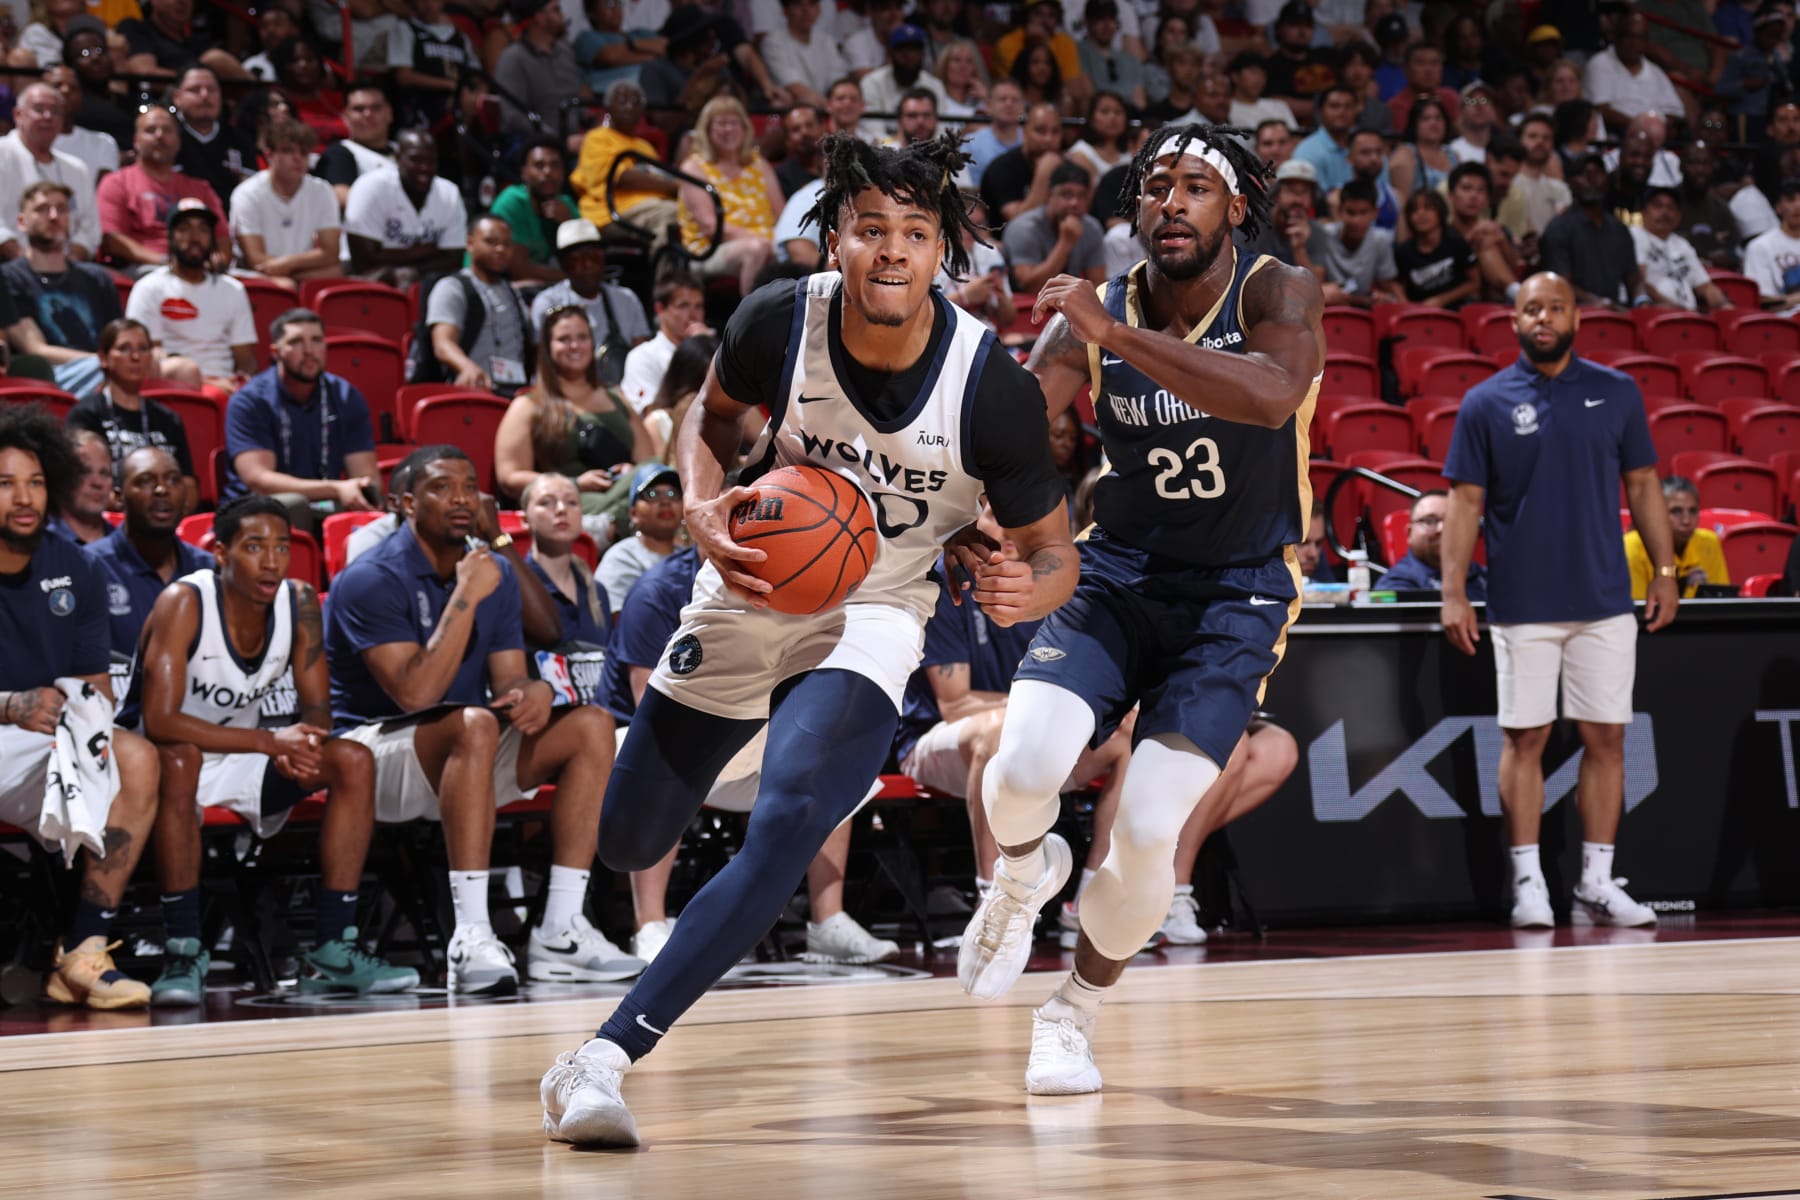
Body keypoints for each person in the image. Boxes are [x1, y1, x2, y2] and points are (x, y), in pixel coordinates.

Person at [536, 132, 1076, 1146]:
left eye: (915, 234)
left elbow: (1055, 556)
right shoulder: (780, 318)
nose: (891, 251)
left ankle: (600, 1058)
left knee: (785, 826)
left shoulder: (989, 387)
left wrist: (1020, 590)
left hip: (875, 610)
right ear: (835, 239)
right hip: (750, 577)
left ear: (940, 253)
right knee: (628, 838)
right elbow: (711, 419)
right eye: (871, 229)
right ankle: (697, 776)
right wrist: (700, 505)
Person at [956, 123, 1323, 1096]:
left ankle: (1071, 1012)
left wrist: (1116, 338)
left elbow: (1275, 396)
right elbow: (1024, 416)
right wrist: (979, 499)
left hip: (1237, 591)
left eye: (1195, 186)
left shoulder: (1277, 289)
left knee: (1152, 832)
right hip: (1117, 568)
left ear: (1233, 207)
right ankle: (1021, 872)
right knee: (1025, 758)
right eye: (1156, 185)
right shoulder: (1095, 307)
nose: (1171, 201)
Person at [326, 445, 632, 995]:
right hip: (370, 758)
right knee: (474, 724)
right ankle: (470, 935)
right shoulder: (371, 578)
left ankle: (559, 930)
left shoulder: (492, 571)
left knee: (591, 723)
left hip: (464, 751)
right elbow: (415, 693)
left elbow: (509, 677)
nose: (462, 499)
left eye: (470, 486)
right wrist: (465, 595)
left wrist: (532, 690)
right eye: (442, 488)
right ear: (402, 502)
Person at [1439, 272, 1676, 931]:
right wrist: (1453, 592)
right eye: (1530, 309)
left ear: (1578, 316)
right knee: (1526, 740)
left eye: (1555, 307)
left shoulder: (1618, 392)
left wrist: (1664, 570)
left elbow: (1645, 483)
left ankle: (1597, 882)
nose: (1543, 318)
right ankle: (1529, 882)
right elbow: (1464, 504)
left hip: (1605, 600)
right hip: (1522, 604)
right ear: (1513, 321)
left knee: (1607, 739)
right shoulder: (1485, 402)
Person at [131, 492, 415, 1004]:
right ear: (220, 553)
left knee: (351, 758)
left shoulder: (300, 602)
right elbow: (160, 721)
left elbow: (318, 706)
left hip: (240, 752)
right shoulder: (184, 601)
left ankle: (333, 948)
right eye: (254, 547)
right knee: (180, 759)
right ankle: (183, 950)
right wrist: (267, 740)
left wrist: (304, 740)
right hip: (152, 761)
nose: (271, 561)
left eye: (281, 547)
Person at [594, 543, 902, 965]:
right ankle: (650, 924)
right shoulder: (657, 590)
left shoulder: (794, 567)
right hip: (663, 729)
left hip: (751, 727)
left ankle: (827, 920)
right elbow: (648, 696)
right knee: (668, 749)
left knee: (829, 759)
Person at [0, 405, 160, 1009]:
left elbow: (96, 686)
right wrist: (9, 705)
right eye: (6, 482)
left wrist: (74, 718)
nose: (24, 497)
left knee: (136, 756)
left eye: (36, 482)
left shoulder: (76, 568)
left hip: (45, 740)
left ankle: (83, 949)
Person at [494, 303, 654, 537]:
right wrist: (575, 483)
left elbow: (649, 461)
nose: (575, 346)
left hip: (623, 490)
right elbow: (510, 477)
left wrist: (631, 471)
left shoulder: (616, 396)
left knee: (656, 476)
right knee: (650, 503)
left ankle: (616, 522)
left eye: (582, 337)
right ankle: (611, 524)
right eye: (564, 339)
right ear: (548, 348)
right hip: (570, 500)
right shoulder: (528, 405)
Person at [222, 308, 379, 529]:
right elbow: (258, 480)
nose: (308, 351)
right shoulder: (250, 401)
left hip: (324, 504)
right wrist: (335, 489)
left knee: (369, 501)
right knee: (293, 504)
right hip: (256, 511)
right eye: (296, 342)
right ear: (275, 352)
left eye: (316, 340)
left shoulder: (346, 396)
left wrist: (361, 488)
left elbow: (365, 474)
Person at [83, 446, 211, 659]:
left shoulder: (209, 569)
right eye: (145, 481)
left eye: (173, 480)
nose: (162, 489)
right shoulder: (88, 567)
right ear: (118, 497)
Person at [123, 200, 257, 393]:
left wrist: (244, 385)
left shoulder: (233, 290)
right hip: (172, 384)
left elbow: (246, 360)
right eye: (185, 229)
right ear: (169, 236)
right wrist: (204, 383)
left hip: (226, 384)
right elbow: (147, 358)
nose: (194, 237)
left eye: (203, 230)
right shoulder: (148, 287)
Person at [2, 181, 121, 399]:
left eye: (62, 209)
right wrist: (105, 363)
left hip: (104, 368)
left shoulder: (97, 278)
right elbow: (35, 349)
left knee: (178, 368)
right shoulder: (10, 277)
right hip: (53, 374)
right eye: (42, 209)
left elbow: (118, 339)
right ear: (22, 221)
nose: (54, 216)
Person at [68, 318, 198, 512]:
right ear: (104, 358)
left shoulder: (168, 419)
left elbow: (188, 487)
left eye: (143, 349)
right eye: (125, 349)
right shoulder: (86, 415)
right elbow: (81, 485)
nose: (136, 356)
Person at [96, 105, 227, 275]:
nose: (160, 135)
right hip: (142, 269)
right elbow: (112, 240)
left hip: (197, 268)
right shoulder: (116, 182)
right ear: (136, 141)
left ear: (179, 141)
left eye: (167, 130)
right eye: (150, 130)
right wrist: (166, 262)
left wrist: (220, 260)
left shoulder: (200, 188)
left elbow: (223, 239)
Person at [676, 95, 781, 297]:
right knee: (755, 249)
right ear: (707, 130)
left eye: (734, 123)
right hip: (711, 249)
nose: (728, 130)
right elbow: (710, 227)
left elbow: (781, 213)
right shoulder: (694, 167)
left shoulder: (758, 164)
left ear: (744, 128)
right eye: (721, 124)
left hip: (765, 241)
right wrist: (764, 240)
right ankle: (751, 322)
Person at [423, 216, 535, 397]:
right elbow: (443, 344)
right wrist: (467, 367)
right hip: (477, 388)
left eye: (507, 244)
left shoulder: (512, 293)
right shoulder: (453, 287)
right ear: (470, 243)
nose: (501, 249)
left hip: (516, 390)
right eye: (491, 242)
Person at [529, 220, 653, 380]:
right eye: (578, 258)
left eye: (595, 255)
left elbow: (642, 354)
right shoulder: (548, 302)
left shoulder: (626, 299)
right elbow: (542, 362)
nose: (589, 264)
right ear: (563, 263)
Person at [229, 119, 342, 291]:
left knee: (336, 271)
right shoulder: (247, 193)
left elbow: (331, 253)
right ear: (269, 155)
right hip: (256, 274)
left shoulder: (322, 190)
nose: (297, 158)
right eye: (288, 151)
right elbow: (256, 259)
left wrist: (287, 264)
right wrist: (293, 272)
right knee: (287, 285)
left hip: (296, 270)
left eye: (304, 153)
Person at [344, 130, 468, 286]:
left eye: (431, 160)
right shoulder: (370, 188)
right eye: (416, 160)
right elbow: (364, 262)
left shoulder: (449, 193)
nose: (425, 167)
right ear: (397, 158)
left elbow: (454, 260)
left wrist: (411, 271)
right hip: (368, 282)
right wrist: (425, 250)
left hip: (429, 281)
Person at [0, 82, 101, 261]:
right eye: (38, 109)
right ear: (18, 115)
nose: (47, 117)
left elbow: (89, 230)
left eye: (55, 111)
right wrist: (28, 263)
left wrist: (68, 263)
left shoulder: (77, 169)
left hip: (65, 268)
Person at [569, 81, 681, 237]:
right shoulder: (597, 138)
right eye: (622, 101)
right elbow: (619, 177)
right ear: (608, 108)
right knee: (673, 218)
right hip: (612, 212)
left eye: (636, 102)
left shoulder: (644, 146)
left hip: (653, 205)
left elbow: (659, 177)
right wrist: (673, 187)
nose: (629, 107)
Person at [1540, 154, 1646, 310]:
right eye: (1583, 174)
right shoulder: (1558, 229)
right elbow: (1559, 285)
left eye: (1597, 173)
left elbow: (1634, 280)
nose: (1591, 178)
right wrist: (1598, 303)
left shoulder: (1619, 229)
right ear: (1570, 183)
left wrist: (1642, 300)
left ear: (1607, 180)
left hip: (1614, 314)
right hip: (1574, 314)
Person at [486, 138, 579, 286]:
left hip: (543, 285)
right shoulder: (512, 202)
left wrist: (568, 223)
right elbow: (520, 271)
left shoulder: (566, 204)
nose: (548, 172)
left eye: (555, 165)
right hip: (497, 285)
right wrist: (572, 279)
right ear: (524, 173)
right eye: (539, 165)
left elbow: (585, 258)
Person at [1003, 161, 1107, 293]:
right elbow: (1029, 286)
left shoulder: (1091, 228)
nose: (1075, 203)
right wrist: (1065, 243)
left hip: (1067, 301)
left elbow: (1098, 286)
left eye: (1081, 196)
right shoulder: (1024, 228)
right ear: (1050, 195)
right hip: (1025, 304)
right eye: (1066, 194)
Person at [494, 0, 590, 143]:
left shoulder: (565, 52)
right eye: (556, 10)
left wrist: (594, 121)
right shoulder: (513, 59)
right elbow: (513, 117)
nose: (563, 15)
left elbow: (576, 102)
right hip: (537, 145)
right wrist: (558, 141)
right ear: (540, 18)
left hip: (575, 141)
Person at [1297, 178, 1402, 307]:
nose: (1356, 221)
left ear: (1375, 213)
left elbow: (1387, 286)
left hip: (1363, 313)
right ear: (1340, 210)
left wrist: (1385, 298)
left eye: (1363, 213)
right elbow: (1314, 287)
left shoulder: (1381, 241)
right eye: (1351, 213)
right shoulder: (1324, 235)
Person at [594, 462, 681, 611]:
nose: (665, 501)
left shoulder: (688, 557)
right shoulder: (622, 557)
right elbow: (617, 622)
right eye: (652, 494)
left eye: (672, 493)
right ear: (633, 513)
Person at [620, 271, 709, 415]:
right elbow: (654, 416)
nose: (693, 315)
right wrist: (695, 353)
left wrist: (711, 351)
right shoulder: (643, 356)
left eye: (698, 306)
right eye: (683, 306)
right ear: (660, 309)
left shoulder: (712, 350)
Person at [1625, 476, 1728, 599]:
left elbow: (1721, 604)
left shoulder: (1709, 543)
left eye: (1693, 511)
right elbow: (1639, 611)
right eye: (1676, 511)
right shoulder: (1632, 547)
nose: (1686, 520)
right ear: (1656, 512)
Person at [1631, 188, 1732, 312]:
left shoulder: (1681, 244)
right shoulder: (1635, 235)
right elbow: (1638, 282)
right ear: (1643, 212)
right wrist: (1677, 309)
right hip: (1654, 313)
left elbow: (1705, 287)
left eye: (1671, 207)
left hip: (1688, 316)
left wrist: (1725, 305)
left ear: (1679, 217)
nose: (1665, 212)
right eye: (1658, 206)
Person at [1582, 11, 1684, 130]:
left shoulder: (1655, 71)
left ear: (1647, 42)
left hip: (1656, 138)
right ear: (1616, 36)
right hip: (1617, 136)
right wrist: (1640, 127)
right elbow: (1600, 110)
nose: (1634, 43)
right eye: (1628, 36)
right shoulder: (1599, 64)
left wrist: (1659, 129)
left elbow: (1674, 112)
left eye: (1639, 37)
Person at [172, 65, 258, 204]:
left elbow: (252, 193)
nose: (205, 95)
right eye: (195, 90)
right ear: (177, 97)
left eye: (211, 90)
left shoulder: (240, 140)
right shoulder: (166, 138)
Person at [1380, 489, 1487, 595]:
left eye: (1451, 520)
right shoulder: (1395, 584)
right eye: (1430, 521)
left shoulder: (1487, 577)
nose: (1442, 528)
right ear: (1409, 533)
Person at [312, 82, 397, 209]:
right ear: (345, 116)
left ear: (390, 113)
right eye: (359, 109)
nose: (368, 114)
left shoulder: (406, 151)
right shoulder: (339, 154)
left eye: (376, 108)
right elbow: (344, 200)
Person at [1394, 189, 1477, 307]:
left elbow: (1474, 283)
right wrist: (1407, 307)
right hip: (1419, 315)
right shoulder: (1403, 252)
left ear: (1441, 212)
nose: (1421, 214)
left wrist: (1442, 300)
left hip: (1456, 312)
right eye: (1414, 210)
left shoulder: (1456, 243)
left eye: (1428, 208)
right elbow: (1398, 285)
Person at [760, 0, 847, 110]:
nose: (806, 11)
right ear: (785, 11)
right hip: (792, 112)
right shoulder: (773, 42)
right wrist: (832, 107)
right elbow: (796, 89)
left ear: (819, 10)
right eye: (798, 5)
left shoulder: (826, 39)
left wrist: (840, 100)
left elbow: (838, 80)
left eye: (812, 4)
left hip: (827, 110)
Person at [1741, 179, 1800, 314]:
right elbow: (1764, 303)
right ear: (1778, 207)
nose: (1798, 205)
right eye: (1791, 200)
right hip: (1784, 324)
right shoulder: (1760, 247)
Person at [49, 429, 115, 546]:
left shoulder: (127, 546)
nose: (98, 483)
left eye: (104, 473)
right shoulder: (40, 543)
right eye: (84, 472)